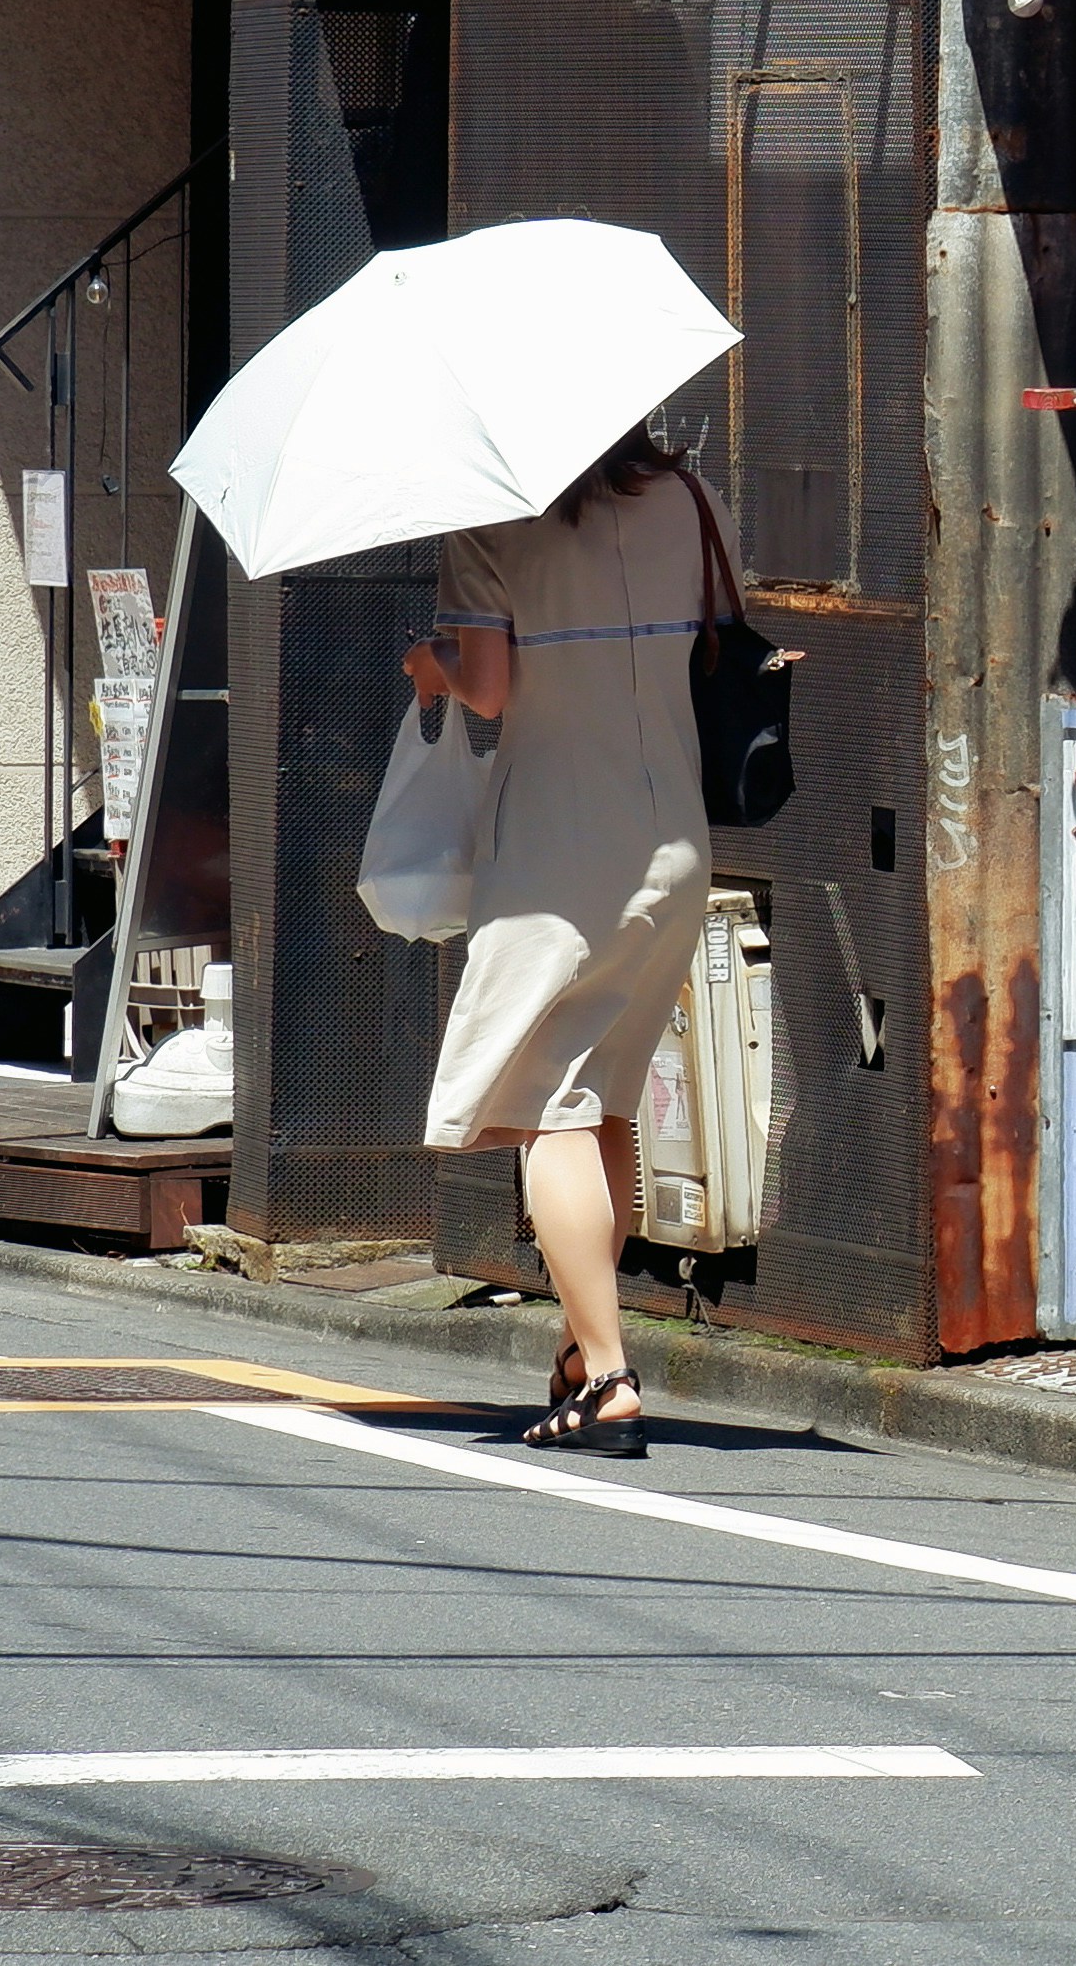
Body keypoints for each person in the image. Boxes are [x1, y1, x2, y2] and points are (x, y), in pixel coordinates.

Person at [402, 423, 723, 1456]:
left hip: (561, 850)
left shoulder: (491, 521)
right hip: (675, 837)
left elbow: (491, 686)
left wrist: (433, 665)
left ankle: (611, 1375)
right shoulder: (690, 500)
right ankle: (584, 1352)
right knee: (604, 1096)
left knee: (548, 1107)